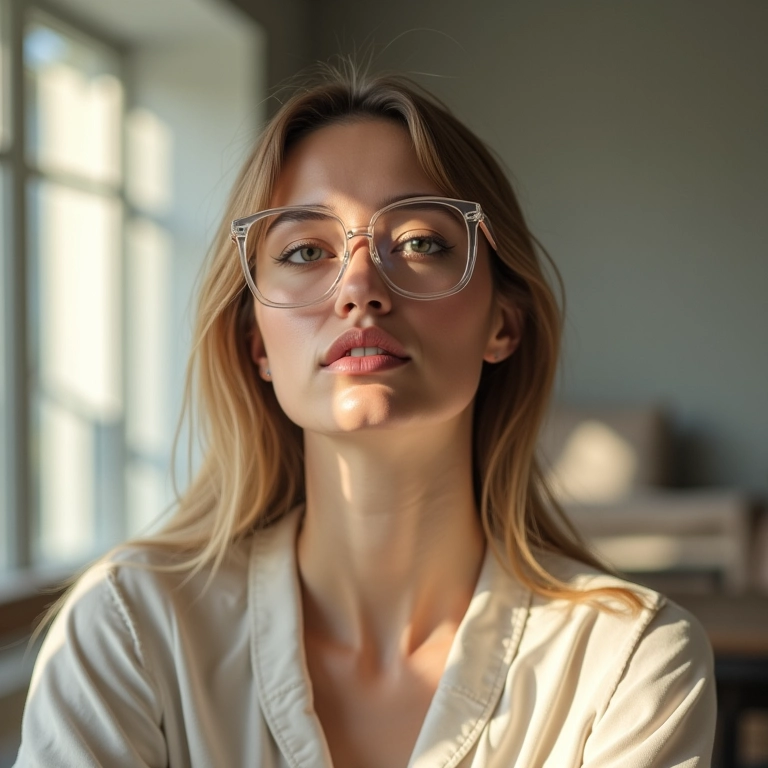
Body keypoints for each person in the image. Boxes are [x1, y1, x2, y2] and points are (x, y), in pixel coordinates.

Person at [15, 64, 715, 768]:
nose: (360, 287)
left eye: (420, 242)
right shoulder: (128, 631)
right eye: (304, 251)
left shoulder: (628, 664)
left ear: (503, 324)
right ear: (257, 347)